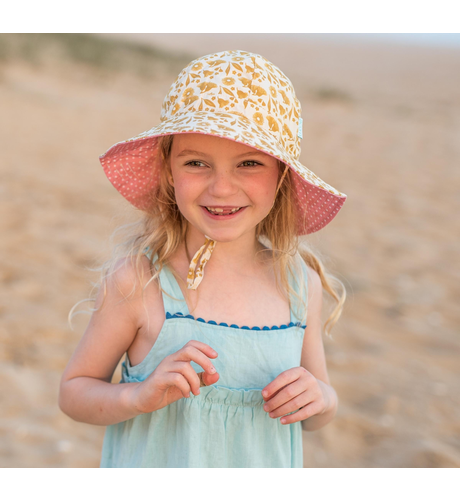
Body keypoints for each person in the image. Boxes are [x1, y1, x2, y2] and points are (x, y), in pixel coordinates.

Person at [58, 50, 348, 468]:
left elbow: (317, 413)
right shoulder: (139, 281)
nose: (222, 188)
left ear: (282, 175)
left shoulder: (299, 285)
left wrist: (320, 399)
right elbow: (75, 392)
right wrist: (137, 396)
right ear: (169, 170)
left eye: (249, 163)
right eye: (197, 163)